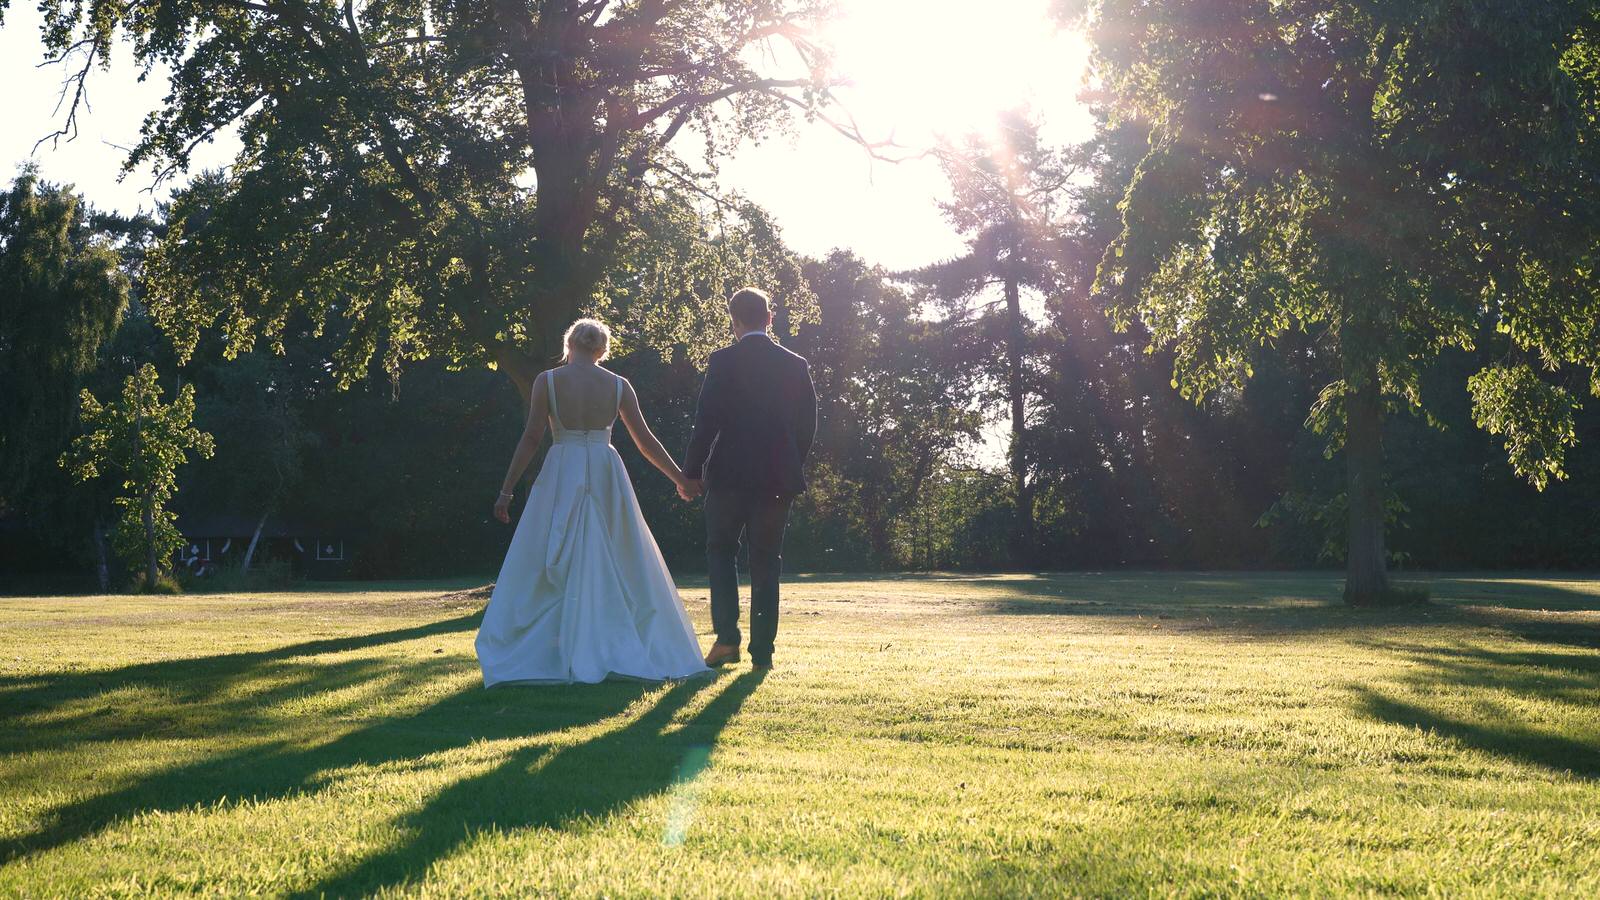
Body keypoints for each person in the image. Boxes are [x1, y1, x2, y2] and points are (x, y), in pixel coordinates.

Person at [475, 318, 710, 686]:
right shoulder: (618, 385)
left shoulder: (547, 381)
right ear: (602, 349)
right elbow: (645, 441)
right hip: (604, 469)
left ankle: (555, 648)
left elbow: (533, 437)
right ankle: (611, 642)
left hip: (562, 468)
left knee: (552, 553)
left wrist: (507, 490)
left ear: (569, 346)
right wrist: (680, 479)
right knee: (621, 554)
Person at [683, 288, 817, 670]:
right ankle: (763, 652)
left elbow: (705, 421)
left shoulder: (723, 361)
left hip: (729, 475)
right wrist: (793, 462)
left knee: (721, 551)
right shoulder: (795, 364)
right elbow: (808, 424)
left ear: (734, 321)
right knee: (766, 560)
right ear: (769, 318)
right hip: (778, 478)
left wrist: (691, 473)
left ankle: (727, 639)